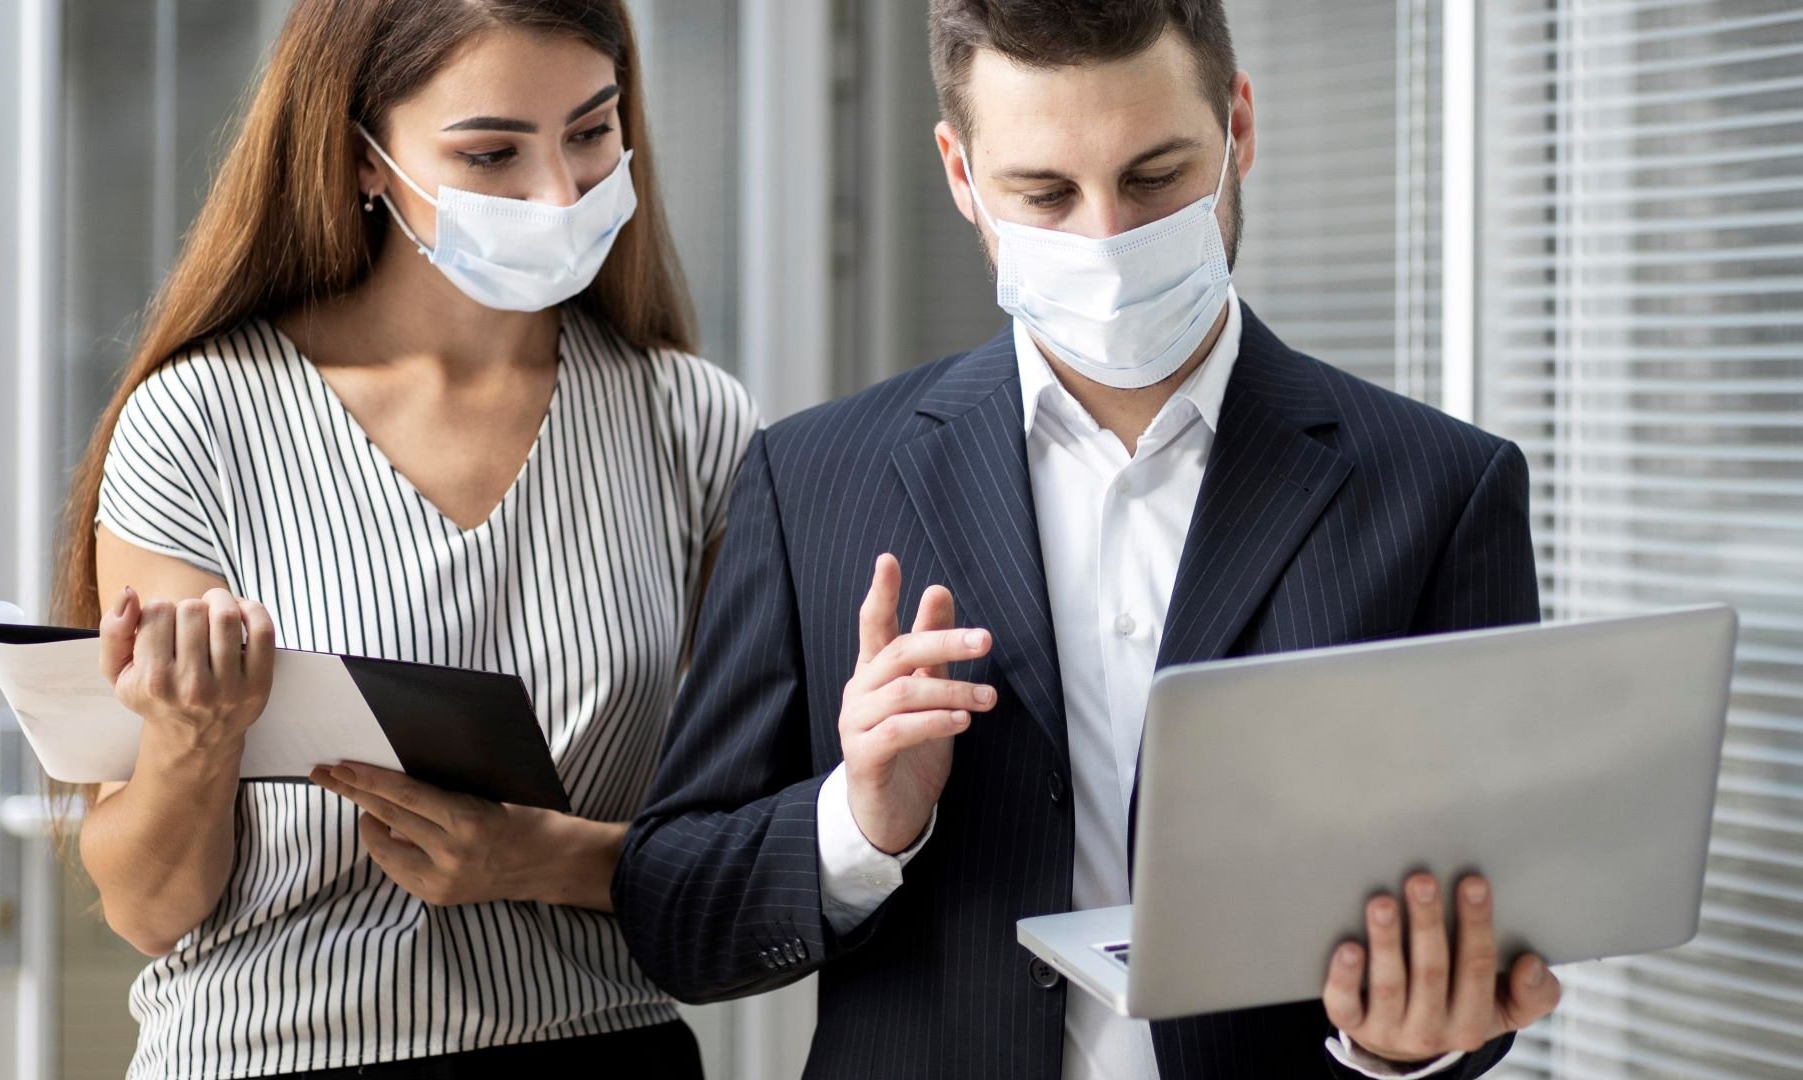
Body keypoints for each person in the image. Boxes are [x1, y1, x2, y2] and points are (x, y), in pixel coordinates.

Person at [613, 1, 1562, 1077]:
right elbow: (673, 910)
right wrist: (860, 822)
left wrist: (1404, 1049)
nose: (1107, 240)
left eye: (1156, 178)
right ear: (962, 175)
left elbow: (1479, 931)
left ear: (1239, 129)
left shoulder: (1442, 489)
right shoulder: (813, 479)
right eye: (1046, 193)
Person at [53, 1, 755, 1075]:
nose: (559, 195)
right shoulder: (200, 420)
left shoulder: (691, 423)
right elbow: (148, 911)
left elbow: (762, 849)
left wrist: (539, 860)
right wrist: (193, 748)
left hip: (599, 1045)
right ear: (364, 157)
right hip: (266, 1056)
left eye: (591, 132)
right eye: (491, 153)